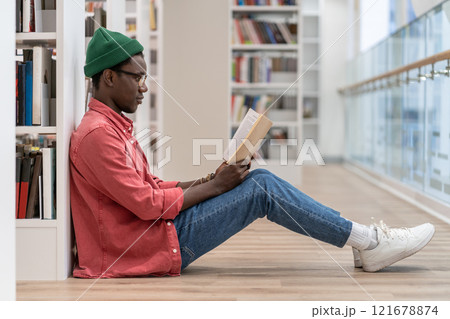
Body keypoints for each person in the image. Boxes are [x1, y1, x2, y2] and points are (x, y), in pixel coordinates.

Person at [70, 27, 435, 278]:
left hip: (156, 232)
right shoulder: (97, 136)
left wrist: (213, 179)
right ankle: (369, 241)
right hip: (145, 246)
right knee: (262, 189)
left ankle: (362, 239)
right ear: (109, 77)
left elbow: (150, 185)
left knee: (257, 179)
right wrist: (215, 187)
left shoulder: (112, 127)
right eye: (137, 77)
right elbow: (149, 204)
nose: (144, 87)